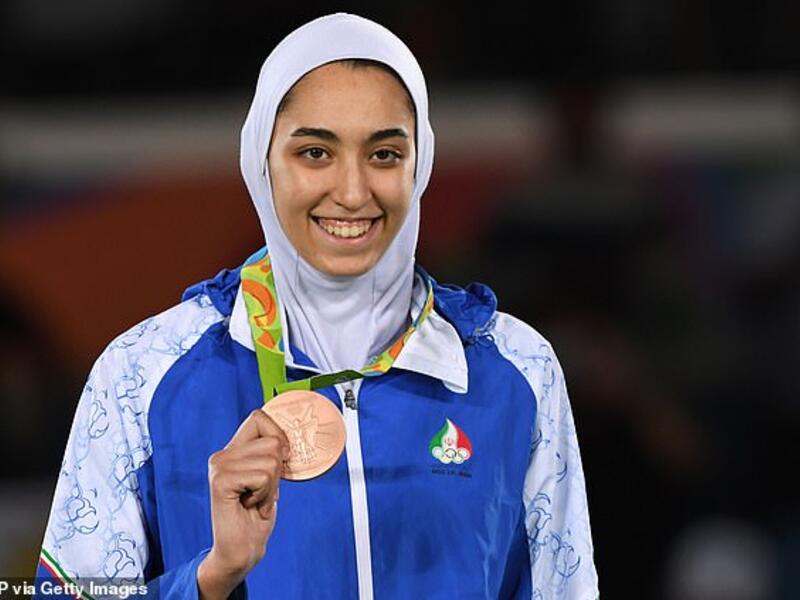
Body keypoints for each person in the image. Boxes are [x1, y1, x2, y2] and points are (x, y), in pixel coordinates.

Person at [34, 13, 599, 600]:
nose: (352, 193)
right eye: (314, 153)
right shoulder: (140, 375)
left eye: (384, 154)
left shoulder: (516, 369)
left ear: (420, 164)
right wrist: (210, 578)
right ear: (262, 161)